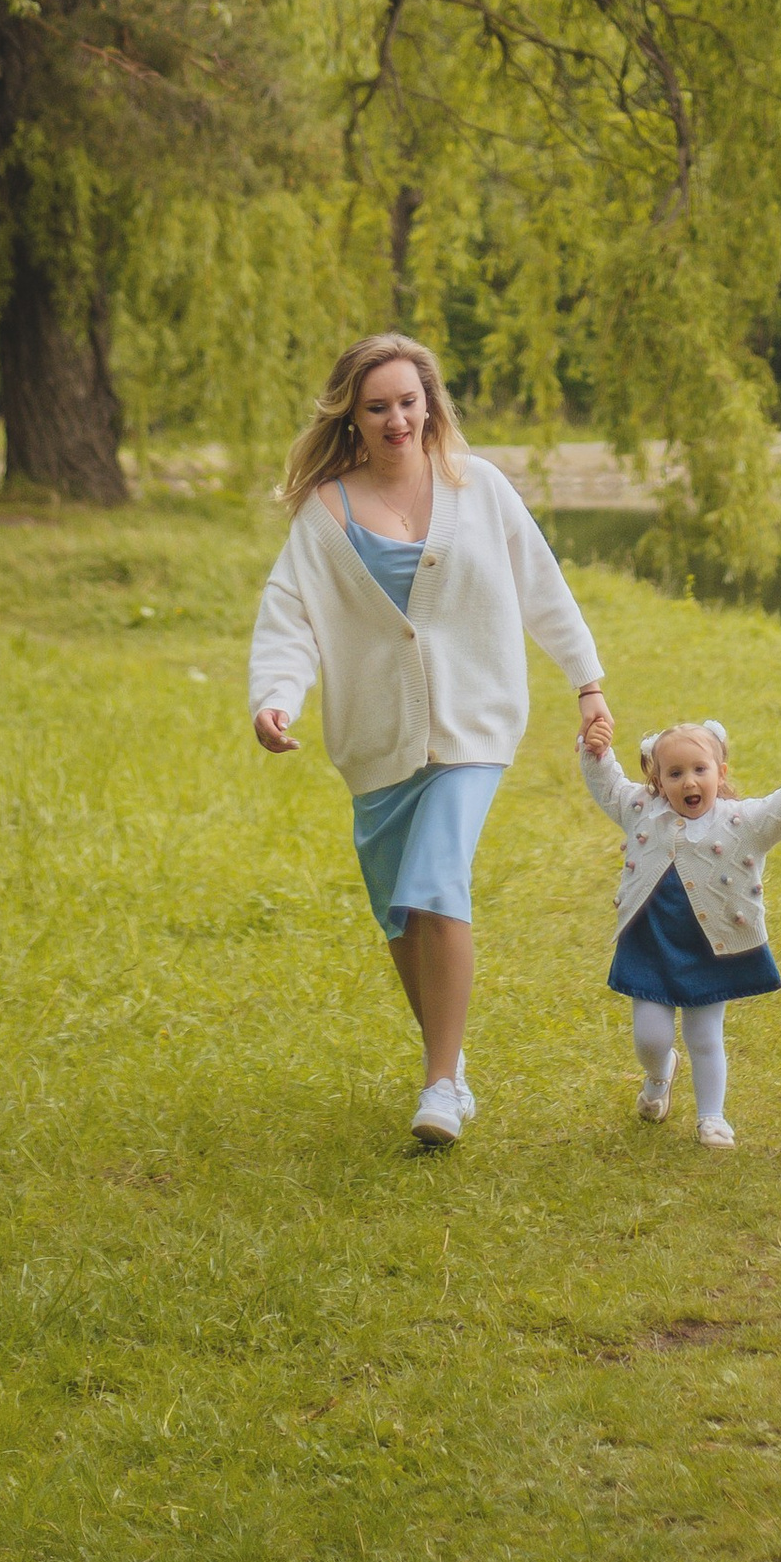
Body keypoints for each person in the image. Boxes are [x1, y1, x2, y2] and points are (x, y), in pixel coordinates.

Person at [249, 329, 611, 1147]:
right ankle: (449, 1063)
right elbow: (289, 616)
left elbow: (541, 585)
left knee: (437, 876)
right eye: (377, 406)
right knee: (398, 911)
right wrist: (277, 697)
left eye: (408, 401)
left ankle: (439, 1084)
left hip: (474, 719)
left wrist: (586, 681)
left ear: (430, 402)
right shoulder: (324, 512)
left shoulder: (476, 486)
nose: (396, 420)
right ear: (353, 415)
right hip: (377, 737)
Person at [579, 714, 781, 1147]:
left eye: (699, 770)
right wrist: (595, 750)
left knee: (704, 1035)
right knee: (650, 1037)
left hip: (713, 946)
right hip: (651, 943)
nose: (689, 782)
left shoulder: (742, 822)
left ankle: (712, 1117)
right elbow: (609, 786)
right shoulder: (641, 811)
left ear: (720, 773)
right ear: (657, 780)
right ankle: (659, 1074)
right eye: (675, 774)